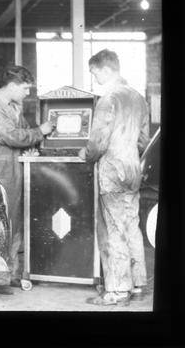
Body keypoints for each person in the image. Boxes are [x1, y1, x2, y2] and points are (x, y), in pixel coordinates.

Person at [79, 49, 149, 306]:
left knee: (114, 230)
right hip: (132, 168)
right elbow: (144, 140)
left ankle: (118, 290)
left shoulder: (108, 98)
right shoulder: (138, 97)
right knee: (132, 225)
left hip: (112, 171)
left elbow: (98, 141)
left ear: (106, 69)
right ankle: (138, 284)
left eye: (95, 71)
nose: (94, 76)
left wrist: (84, 154)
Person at [0, 65, 54, 295]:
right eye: (25, 88)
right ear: (11, 86)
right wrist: (40, 131)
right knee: (0, 226)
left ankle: (10, 274)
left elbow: (22, 134)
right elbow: (12, 136)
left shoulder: (12, 107)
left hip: (12, 171)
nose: (27, 93)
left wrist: (30, 146)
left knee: (13, 224)